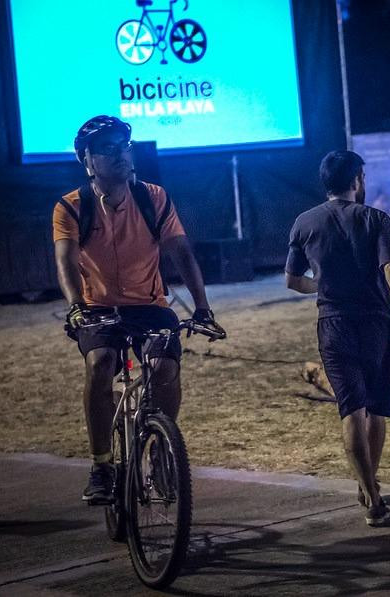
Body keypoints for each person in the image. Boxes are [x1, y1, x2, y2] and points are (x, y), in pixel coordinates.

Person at [53, 115, 224, 504]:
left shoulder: (153, 197)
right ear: (87, 160)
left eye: (124, 147)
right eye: (108, 149)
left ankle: (162, 449)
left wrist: (202, 307)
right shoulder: (71, 206)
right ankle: (101, 464)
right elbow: (65, 260)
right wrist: (76, 306)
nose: (121, 155)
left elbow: (180, 251)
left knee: (164, 367)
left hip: (148, 304)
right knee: (100, 363)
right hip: (97, 306)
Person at [285, 150, 390, 526]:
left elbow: (293, 280)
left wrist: (321, 285)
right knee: (375, 408)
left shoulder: (304, 222)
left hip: (333, 322)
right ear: (358, 179)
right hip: (375, 322)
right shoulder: (376, 219)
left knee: (350, 409)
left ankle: (370, 492)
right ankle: (370, 488)